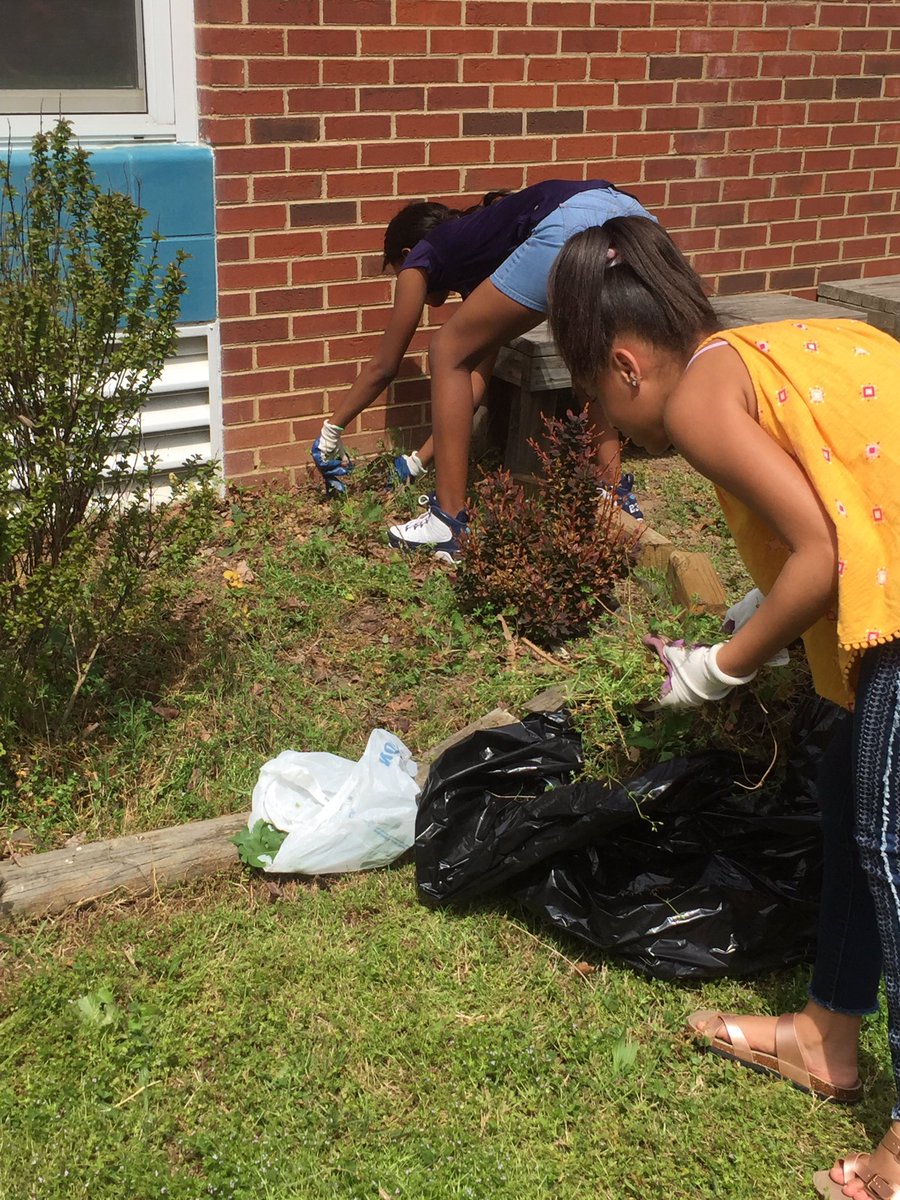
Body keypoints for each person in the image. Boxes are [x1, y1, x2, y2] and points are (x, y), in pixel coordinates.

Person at [547, 212, 900, 1200]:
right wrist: (756, 607)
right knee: (846, 789)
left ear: (623, 364)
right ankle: (829, 1034)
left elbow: (824, 560)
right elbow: (835, 504)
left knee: (890, 841)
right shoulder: (772, 343)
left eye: (600, 406)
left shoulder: (703, 395)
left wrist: (716, 668)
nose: (618, 431)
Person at [310, 180, 654, 559]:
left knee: (443, 348)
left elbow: (384, 365)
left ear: (405, 255)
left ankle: (448, 523)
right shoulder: (492, 267)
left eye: (395, 271)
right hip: (631, 216)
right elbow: (470, 389)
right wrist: (414, 462)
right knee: (589, 357)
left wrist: (330, 433)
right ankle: (615, 495)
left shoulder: (421, 257)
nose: (402, 280)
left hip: (571, 221)